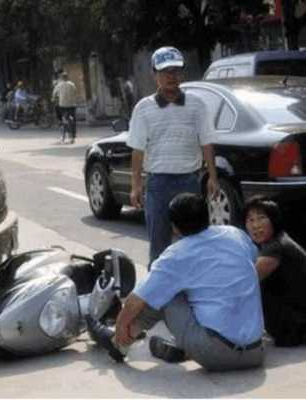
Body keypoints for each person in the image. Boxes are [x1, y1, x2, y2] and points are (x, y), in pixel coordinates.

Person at [110, 193, 264, 371]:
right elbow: (253, 259)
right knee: (195, 288)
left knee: (164, 293)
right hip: (255, 352)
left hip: (215, 353)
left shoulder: (176, 255)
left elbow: (135, 302)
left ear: (174, 227)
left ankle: (119, 343)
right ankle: (180, 348)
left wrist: (120, 325)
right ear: (208, 215)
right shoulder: (236, 235)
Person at [127, 46, 219, 265]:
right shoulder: (143, 108)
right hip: (158, 183)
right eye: (165, 71)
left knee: (193, 241)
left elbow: (206, 142)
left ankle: (194, 290)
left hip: (189, 180)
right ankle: (158, 295)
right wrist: (136, 185)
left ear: (182, 74)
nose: (171, 76)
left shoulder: (197, 105)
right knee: (159, 243)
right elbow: (138, 150)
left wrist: (213, 177)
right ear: (155, 75)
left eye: (176, 71)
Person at [244, 196, 306, 347]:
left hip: (296, 327)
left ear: (274, 220)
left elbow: (244, 283)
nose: (256, 225)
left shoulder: (275, 247)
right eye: (250, 220)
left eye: (261, 218)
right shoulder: (278, 240)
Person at [52, 71, 77, 144]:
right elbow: (75, 92)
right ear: (67, 78)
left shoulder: (59, 85)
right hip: (72, 105)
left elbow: (54, 93)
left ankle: (65, 132)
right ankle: (73, 135)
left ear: (62, 78)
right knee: (73, 119)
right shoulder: (72, 84)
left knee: (64, 120)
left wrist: (53, 98)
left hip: (63, 105)